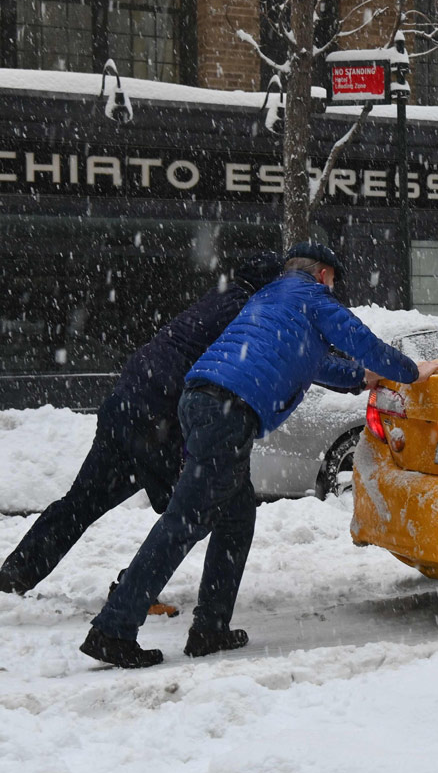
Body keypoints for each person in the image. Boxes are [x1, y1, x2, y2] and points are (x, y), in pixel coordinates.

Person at [80, 242, 438, 668]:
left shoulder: (271, 298)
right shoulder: (312, 297)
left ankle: (211, 628)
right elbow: (361, 340)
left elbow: (313, 363)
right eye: (334, 281)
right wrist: (410, 371)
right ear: (324, 274)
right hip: (227, 410)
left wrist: (361, 378)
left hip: (202, 399)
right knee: (185, 521)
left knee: (236, 516)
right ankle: (114, 628)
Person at [0, 251, 284, 602]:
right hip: (159, 415)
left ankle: (16, 573)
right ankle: (132, 592)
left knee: (83, 500)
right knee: (192, 509)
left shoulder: (218, 298)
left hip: (126, 400)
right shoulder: (247, 314)